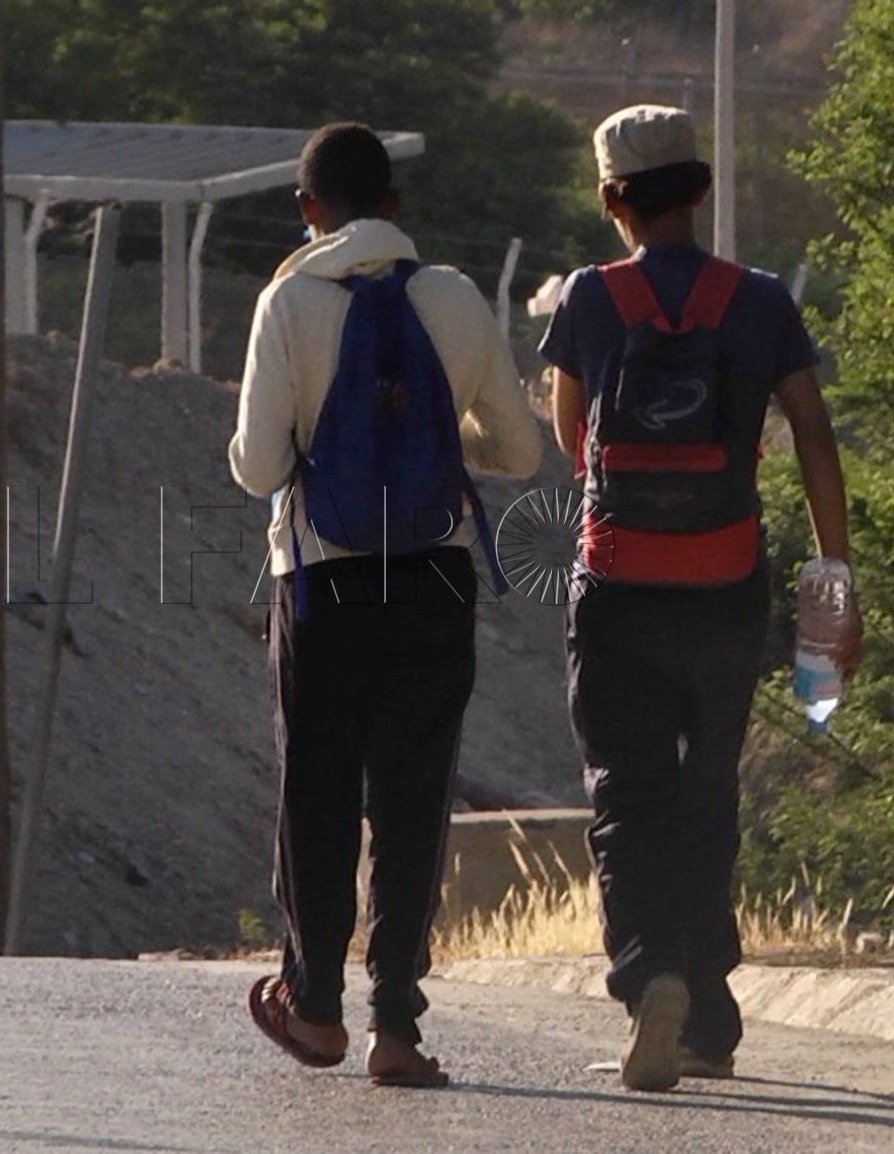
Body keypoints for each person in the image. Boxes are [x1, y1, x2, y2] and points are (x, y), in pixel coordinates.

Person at [538, 104, 860, 1091]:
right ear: (700, 190)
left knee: (623, 795)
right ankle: (709, 1015)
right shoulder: (758, 301)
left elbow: (571, 439)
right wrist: (832, 567)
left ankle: (651, 981)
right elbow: (810, 430)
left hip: (618, 584)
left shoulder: (589, 301)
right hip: (725, 582)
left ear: (610, 199)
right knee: (706, 786)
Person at [230, 122, 542, 1089]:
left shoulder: (287, 300)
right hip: (433, 576)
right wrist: (445, 453)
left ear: (306, 208)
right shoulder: (451, 296)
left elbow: (258, 467)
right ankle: (396, 1026)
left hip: (322, 577)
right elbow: (521, 453)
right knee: (411, 802)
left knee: (315, 794)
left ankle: (314, 1007)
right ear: (396, 209)